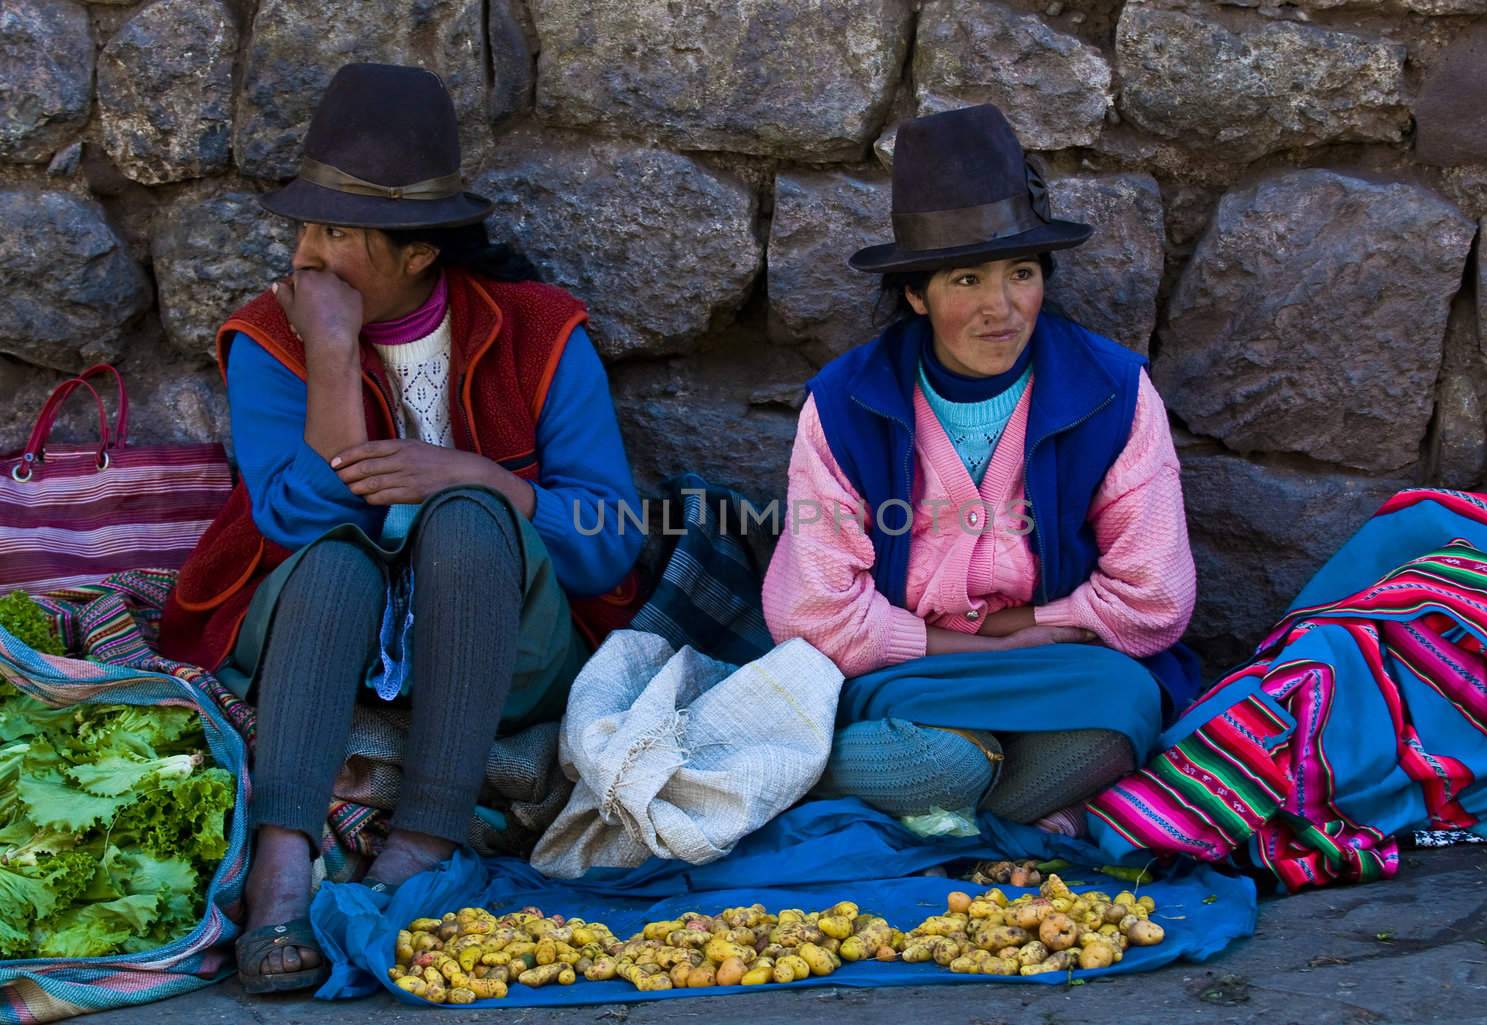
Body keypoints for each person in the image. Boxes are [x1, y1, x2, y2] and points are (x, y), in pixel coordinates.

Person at [158, 64, 643, 993]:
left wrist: (477, 475)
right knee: (339, 560)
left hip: (503, 645)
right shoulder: (273, 338)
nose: (308, 256)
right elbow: (294, 516)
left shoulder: (539, 333)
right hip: (319, 625)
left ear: (419, 251)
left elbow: (611, 537)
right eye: (305, 225)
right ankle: (281, 868)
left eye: (338, 232)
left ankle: (425, 832)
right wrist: (332, 355)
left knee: (466, 515)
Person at [762, 104, 1201, 833]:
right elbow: (813, 614)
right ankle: (1002, 807)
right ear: (915, 293)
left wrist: (1033, 629)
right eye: (966, 279)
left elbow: (1154, 599)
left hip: (1061, 675)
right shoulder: (847, 405)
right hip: (909, 680)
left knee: (1120, 713)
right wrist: (980, 643)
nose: (1001, 308)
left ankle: (935, 812)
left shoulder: (1112, 393)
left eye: (1021, 273)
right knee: (937, 764)